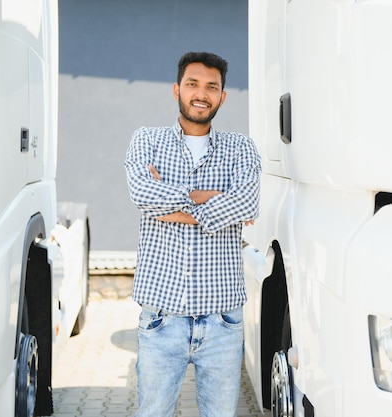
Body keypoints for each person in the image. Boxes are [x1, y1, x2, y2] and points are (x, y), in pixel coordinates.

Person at [124, 51, 261, 417]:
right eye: (193, 84)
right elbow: (141, 194)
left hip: (222, 320)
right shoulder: (147, 141)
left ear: (222, 96)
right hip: (160, 316)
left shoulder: (241, 149)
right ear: (176, 90)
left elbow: (247, 204)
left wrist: (170, 203)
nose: (201, 93)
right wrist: (214, 201)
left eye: (211, 87)